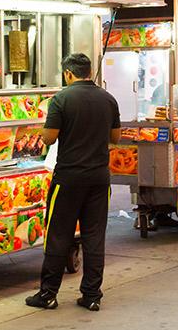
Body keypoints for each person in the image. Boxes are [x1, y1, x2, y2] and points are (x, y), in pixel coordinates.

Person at [25, 54, 121, 312]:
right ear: (89, 72)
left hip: (68, 178)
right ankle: (91, 295)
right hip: (100, 179)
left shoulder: (61, 99)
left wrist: (44, 130)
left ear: (68, 73)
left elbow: (48, 139)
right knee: (94, 237)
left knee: (58, 236)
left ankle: (48, 295)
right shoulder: (108, 99)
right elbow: (116, 138)